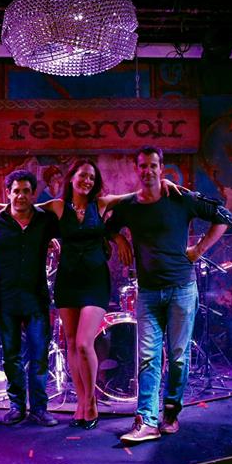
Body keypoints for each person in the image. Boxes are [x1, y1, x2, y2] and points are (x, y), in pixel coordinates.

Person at [37, 159, 176, 429]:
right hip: (67, 281)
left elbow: (136, 196)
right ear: (71, 178)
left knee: (83, 342)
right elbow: (20, 208)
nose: (87, 181)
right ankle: (81, 402)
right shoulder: (57, 206)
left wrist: (163, 183)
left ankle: (90, 402)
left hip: (94, 281)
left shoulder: (101, 204)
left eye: (91, 177)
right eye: (82, 175)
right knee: (70, 342)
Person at [106, 146, 228, 444]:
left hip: (181, 288)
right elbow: (105, 226)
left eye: (153, 165)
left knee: (178, 357)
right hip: (148, 292)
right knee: (148, 357)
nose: (147, 171)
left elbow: (223, 216)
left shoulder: (180, 198)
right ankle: (146, 420)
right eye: (142, 166)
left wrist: (199, 249)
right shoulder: (129, 206)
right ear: (137, 170)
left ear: (161, 168)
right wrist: (119, 238)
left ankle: (171, 412)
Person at [0, 169, 61, 427]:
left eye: (26, 191)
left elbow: (72, 232)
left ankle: (39, 409)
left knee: (39, 356)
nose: (20, 196)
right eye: (16, 191)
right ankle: (16, 407)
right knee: (11, 357)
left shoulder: (45, 220)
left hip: (36, 300)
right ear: (8, 193)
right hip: (5, 300)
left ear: (33, 194)